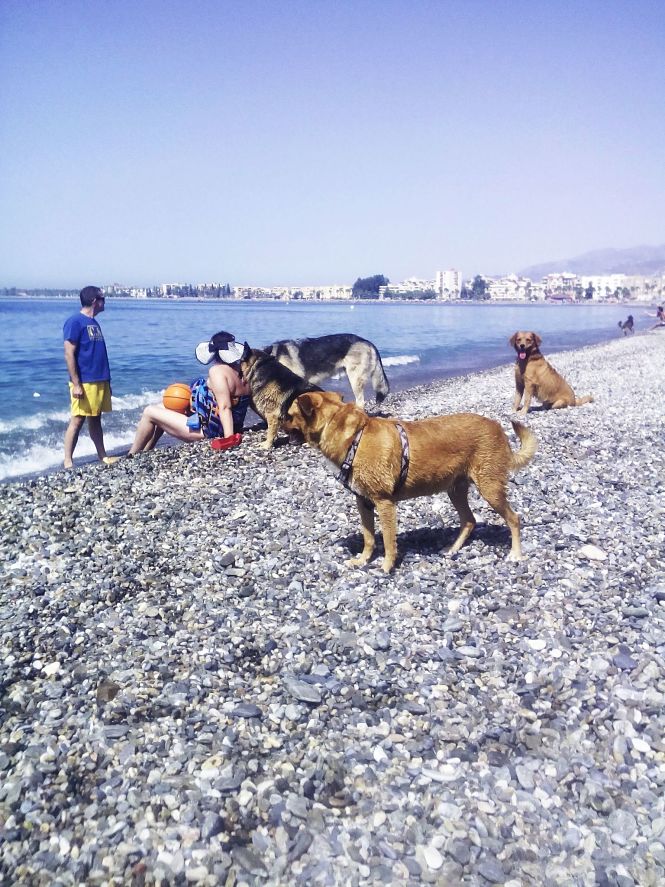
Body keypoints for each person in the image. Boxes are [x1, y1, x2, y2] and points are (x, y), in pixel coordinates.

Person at [128, 331, 251, 454]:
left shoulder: (217, 371)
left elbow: (225, 407)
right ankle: (145, 451)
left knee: (149, 411)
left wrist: (228, 438)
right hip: (231, 426)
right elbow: (245, 402)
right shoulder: (243, 370)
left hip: (209, 431)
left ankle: (131, 455)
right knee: (163, 408)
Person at [63, 285, 118, 468]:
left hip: (99, 379)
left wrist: (107, 382)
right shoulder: (75, 322)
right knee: (78, 420)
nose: (105, 302)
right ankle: (68, 461)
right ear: (95, 300)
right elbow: (69, 353)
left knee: (96, 419)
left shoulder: (94, 322)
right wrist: (76, 384)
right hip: (84, 381)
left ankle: (102, 455)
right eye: (103, 298)